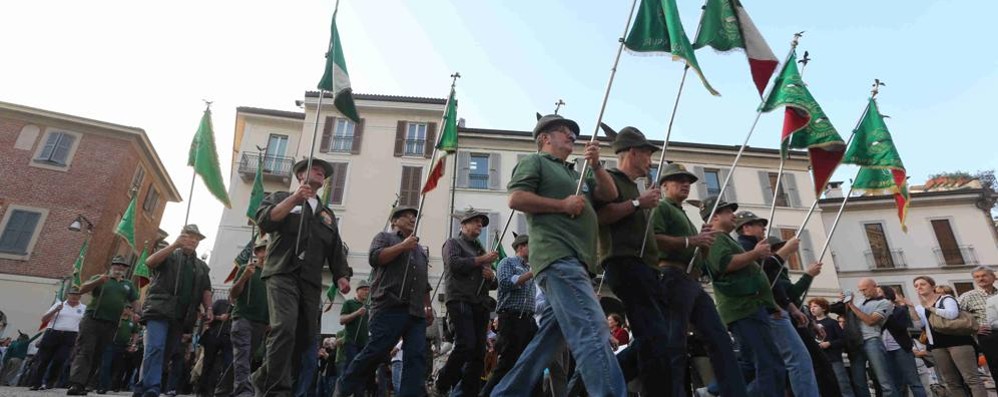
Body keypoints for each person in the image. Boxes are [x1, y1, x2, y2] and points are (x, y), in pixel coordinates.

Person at [491, 113, 625, 397]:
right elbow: (516, 198)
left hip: (579, 261)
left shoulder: (577, 173)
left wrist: (597, 165)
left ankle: (506, 393)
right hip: (558, 256)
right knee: (592, 328)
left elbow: (610, 195)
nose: (571, 135)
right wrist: (562, 204)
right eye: (564, 131)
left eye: (572, 132)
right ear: (544, 138)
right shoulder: (535, 162)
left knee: (549, 339)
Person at [253, 157, 353, 397]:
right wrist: (295, 198)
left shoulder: (326, 214)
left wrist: (341, 275)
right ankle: (278, 390)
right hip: (282, 272)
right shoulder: (280, 197)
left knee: (304, 337)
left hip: (309, 281)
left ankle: (261, 376)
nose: (320, 172)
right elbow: (265, 220)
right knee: (284, 327)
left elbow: (335, 248)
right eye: (314, 169)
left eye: (323, 171)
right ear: (299, 176)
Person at [650, 165, 746, 397]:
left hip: (691, 281)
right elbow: (653, 239)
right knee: (675, 342)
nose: (685, 184)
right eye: (678, 180)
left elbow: (698, 257)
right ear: (664, 186)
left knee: (719, 338)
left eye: (688, 181)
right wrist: (690, 240)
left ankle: (734, 392)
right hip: (672, 276)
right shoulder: (662, 208)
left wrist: (702, 245)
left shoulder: (683, 213)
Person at [590, 124, 670, 394]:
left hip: (644, 267)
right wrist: (638, 204)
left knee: (655, 338)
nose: (650, 160)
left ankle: (595, 385)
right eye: (647, 153)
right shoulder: (610, 178)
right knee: (654, 337)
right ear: (633, 152)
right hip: (624, 262)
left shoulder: (636, 188)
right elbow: (600, 217)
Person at [335, 206, 432, 397]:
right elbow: (375, 257)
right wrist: (403, 246)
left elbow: (423, 280)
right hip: (389, 306)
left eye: (414, 217)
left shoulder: (420, 250)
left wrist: (427, 305)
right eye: (406, 217)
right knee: (376, 352)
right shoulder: (384, 237)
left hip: (415, 311)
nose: (412, 219)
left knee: (416, 357)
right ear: (394, 221)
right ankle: (344, 387)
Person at [700, 196, 785, 396]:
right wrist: (755, 254)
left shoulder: (724, 238)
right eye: (728, 212)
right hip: (745, 308)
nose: (733, 216)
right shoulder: (717, 238)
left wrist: (771, 304)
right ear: (714, 216)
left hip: (748, 308)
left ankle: (712, 391)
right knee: (770, 365)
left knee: (748, 364)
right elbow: (725, 264)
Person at [732, 212, 819, 397]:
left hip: (773, 309)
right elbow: (764, 272)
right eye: (758, 225)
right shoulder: (745, 247)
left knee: (772, 365)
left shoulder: (755, 247)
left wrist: (791, 307)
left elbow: (772, 282)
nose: (763, 228)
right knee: (796, 360)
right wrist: (786, 251)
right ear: (746, 227)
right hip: (769, 311)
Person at [133, 224, 213, 397]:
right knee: (156, 347)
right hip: (159, 309)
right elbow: (150, 262)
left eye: (196, 238)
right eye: (189, 236)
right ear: (181, 236)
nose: (192, 240)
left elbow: (206, 289)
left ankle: (142, 386)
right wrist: (174, 245)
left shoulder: (201, 266)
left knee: (166, 352)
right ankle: (152, 387)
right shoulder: (169, 255)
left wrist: (209, 308)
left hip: (182, 315)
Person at [434, 208, 498, 396]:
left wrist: (491, 275)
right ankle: (443, 381)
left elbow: (494, 284)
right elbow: (454, 264)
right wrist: (481, 261)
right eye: (475, 221)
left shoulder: (480, 250)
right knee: (465, 344)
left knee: (478, 353)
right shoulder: (452, 243)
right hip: (460, 299)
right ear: (463, 225)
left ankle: (469, 393)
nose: (480, 225)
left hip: (480, 302)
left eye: (481, 222)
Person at [66, 255, 140, 395]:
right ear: (111, 266)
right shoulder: (101, 278)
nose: (120, 268)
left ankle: (85, 384)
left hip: (111, 323)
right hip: (93, 318)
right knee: (85, 350)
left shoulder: (128, 284)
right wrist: (98, 281)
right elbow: (81, 289)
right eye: (117, 265)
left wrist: (137, 312)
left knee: (98, 353)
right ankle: (76, 384)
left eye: (123, 266)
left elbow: (135, 300)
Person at [480, 234, 536, 397]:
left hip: (527, 319)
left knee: (528, 361)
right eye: (531, 245)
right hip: (511, 318)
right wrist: (531, 274)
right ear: (521, 246)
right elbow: (504, 283)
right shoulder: (507, 262)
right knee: (507, 361)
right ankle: (486, 393)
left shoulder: (528, 267)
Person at [911, 276, 987, 397]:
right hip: (937, 345)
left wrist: (930, 308)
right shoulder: (920, 306)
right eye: (916, 286)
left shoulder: (946, 298)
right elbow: (921, 325)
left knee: (971, 379)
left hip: (958, 342)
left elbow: (952, 314)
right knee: (951, 382)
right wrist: (911, 308)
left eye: (922, 284)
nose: (919, 287)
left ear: (932, 286)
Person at [222, 234, 270, 397]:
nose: (266, 252)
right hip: (243, 318)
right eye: (262, 250)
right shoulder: (246, 268)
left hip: (261, 322)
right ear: (257, 252)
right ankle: (244, 392)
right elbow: (233, 294)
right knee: (243, 356)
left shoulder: (273, 276)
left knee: (244, 357)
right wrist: (244, 277)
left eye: (269, 249)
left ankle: (222, 389)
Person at [839, 278, 896, 397]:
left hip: (872, 340)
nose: (863, 292)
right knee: (859, 380)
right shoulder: (860, 302)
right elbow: (850, 317)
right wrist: (846, 303)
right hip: (856, 342)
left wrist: (852, 305)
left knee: (883, 379)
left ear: (874, 286)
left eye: (865, 289)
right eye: (861, 290)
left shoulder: (885, 303)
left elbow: (871, 321)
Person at [29, 287, 86, 391]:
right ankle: (36, 383)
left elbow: (85, 324)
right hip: (53, 333)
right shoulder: (59, 305)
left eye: (77, 294)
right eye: (72, 294)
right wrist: (56, 310)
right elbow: (44, 319)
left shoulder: (83, 308)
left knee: (60, 359)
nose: (74, 296)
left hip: (70, 335)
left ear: (80, 296)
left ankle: (49, 382)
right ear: (68, 295)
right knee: (43, 359)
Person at [878, 286, 927, 397]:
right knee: (896, 383)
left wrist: (888, 314)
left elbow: (901, 327)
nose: (876, 294)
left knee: (914, 382)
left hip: (901, 348)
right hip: (885, 350)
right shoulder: (877, 312)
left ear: (886, 295)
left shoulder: (899, 310)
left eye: (879, 292)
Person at [957, 266, 998, 382]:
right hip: (989, 336)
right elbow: (955, 316)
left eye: (984, 275)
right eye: (977, 277)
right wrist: (973, 329)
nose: (980, 279)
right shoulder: (968, 296)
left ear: (993, 277)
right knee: (996, 369)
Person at [809, 298, 855, 397]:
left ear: (824, 308)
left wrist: (829, 343)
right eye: (811, 307)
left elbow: (843, 340)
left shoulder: (832, 323)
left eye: (815, 306)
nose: (812, 309)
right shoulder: (810, 325)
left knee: (842, 384)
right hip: (818, 361)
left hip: (833, 359)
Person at [339, 279, 371, 391]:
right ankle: (341, 389)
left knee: (361, 370)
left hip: (364, 343)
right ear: (357, 291)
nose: (367, 292)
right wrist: (357, 313)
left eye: (368, 290)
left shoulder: (368, 307)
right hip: (351, 341)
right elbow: (342, 320)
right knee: (351, 367)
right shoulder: (349, 303)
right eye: (364, 290)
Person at [197, 298, 232, 397]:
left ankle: (223, 390)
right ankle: (203, 390)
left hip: (229, 338)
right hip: (214, 335)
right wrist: (219, 318)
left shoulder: (239, 307)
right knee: (208, 363)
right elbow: (208, 317)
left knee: (227, 364)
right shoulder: (220, 303)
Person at [100, 306, 139, 393]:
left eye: (129, 308)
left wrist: (133, 344)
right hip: (110, 344)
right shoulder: (114, 318)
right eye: (125, 308)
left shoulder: (132, 321)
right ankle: (103, 386)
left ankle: (116, 386)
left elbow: (135, 332)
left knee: (120, 367)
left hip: (123, 346)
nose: (127, 310)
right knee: (106, 365)